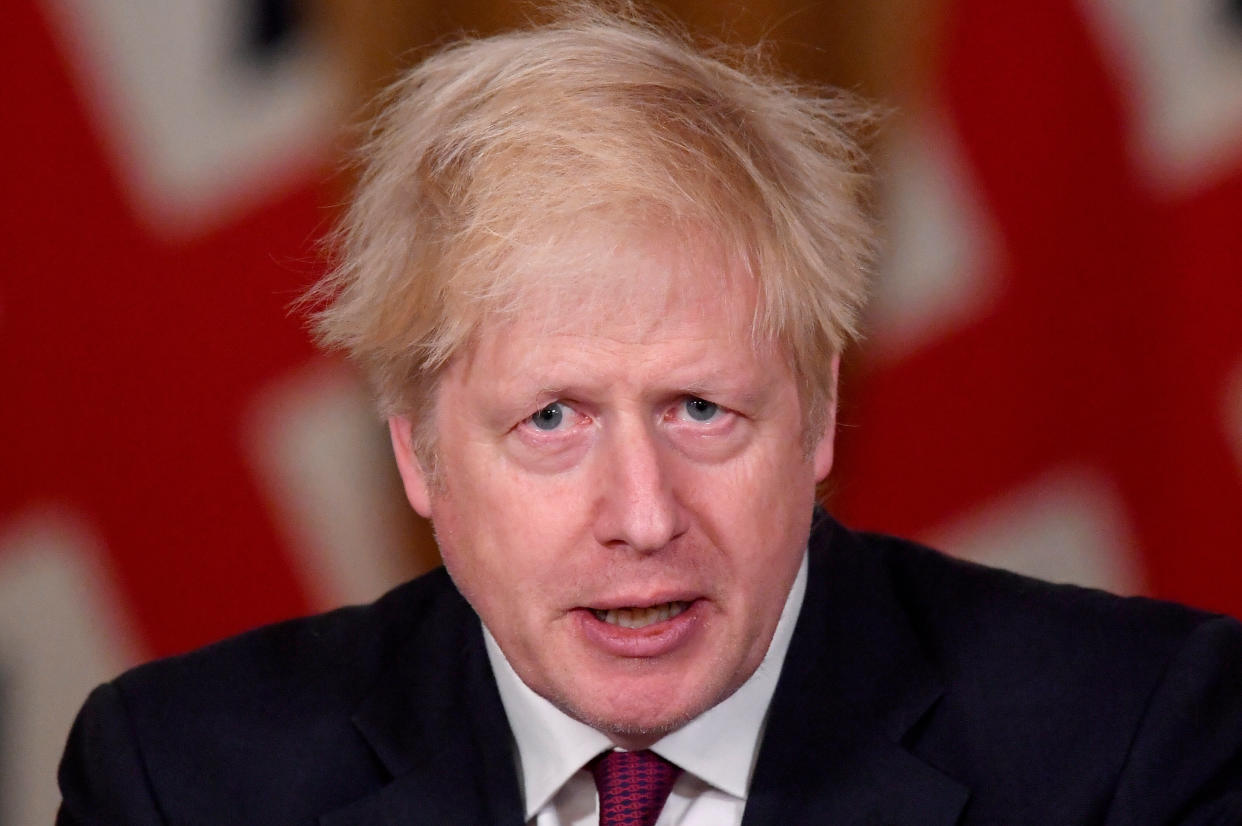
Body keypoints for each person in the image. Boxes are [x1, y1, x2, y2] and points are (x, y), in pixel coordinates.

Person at [57, 5, 1242, 825]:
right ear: (416, 448)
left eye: (701, 407)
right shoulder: (181, 777)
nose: (641, 514)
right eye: (553, 419)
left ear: (820, 412)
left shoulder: (1134, 739)